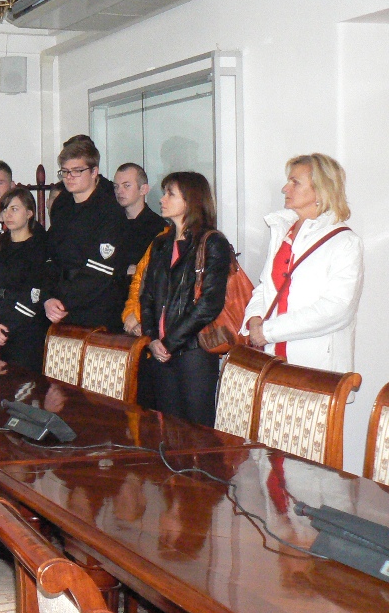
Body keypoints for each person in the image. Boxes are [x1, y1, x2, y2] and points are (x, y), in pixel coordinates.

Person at [241, 154, 362, 371]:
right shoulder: (283, 233)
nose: (285, 188)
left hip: (316, 366)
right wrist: (254, 318)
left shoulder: (344, 242)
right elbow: (266, 287)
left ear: (321, 190)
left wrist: (270, 331)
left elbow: (337, 308)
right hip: (272, 359)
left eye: (295, 182)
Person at [139, 172, 231, 427]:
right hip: (160, 350)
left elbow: (209, 303)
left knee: (197, 429)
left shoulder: (212, 242)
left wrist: (170, 342)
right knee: (168, 428)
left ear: (191, 200)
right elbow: (147, 295)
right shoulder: (160, 243)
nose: (162, 199)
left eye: (170, 193)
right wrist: (152, 339)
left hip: (194, 351)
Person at [42, 136, 130, 333]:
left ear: (94, 172)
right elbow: (51, 257)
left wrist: (62, 301)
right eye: (65, 171)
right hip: (58, 303)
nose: (69, 177)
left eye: (77, 171)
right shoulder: (62, 204)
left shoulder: (109, 210)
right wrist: (48, 297)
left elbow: (100, 271)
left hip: (96, 307)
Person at [0, 187, 49, 373]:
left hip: (21, 334)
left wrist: (1, 336)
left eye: (14, 209)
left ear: (29, 213)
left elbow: (32, 296)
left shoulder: (38, 248)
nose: (8, 214)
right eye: (5, 209)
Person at [114, 163, 166, 267]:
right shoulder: (108, 222)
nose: (119, 191)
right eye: (116, 186)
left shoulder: (158, 228)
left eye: (126, 185)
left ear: (143, 189)